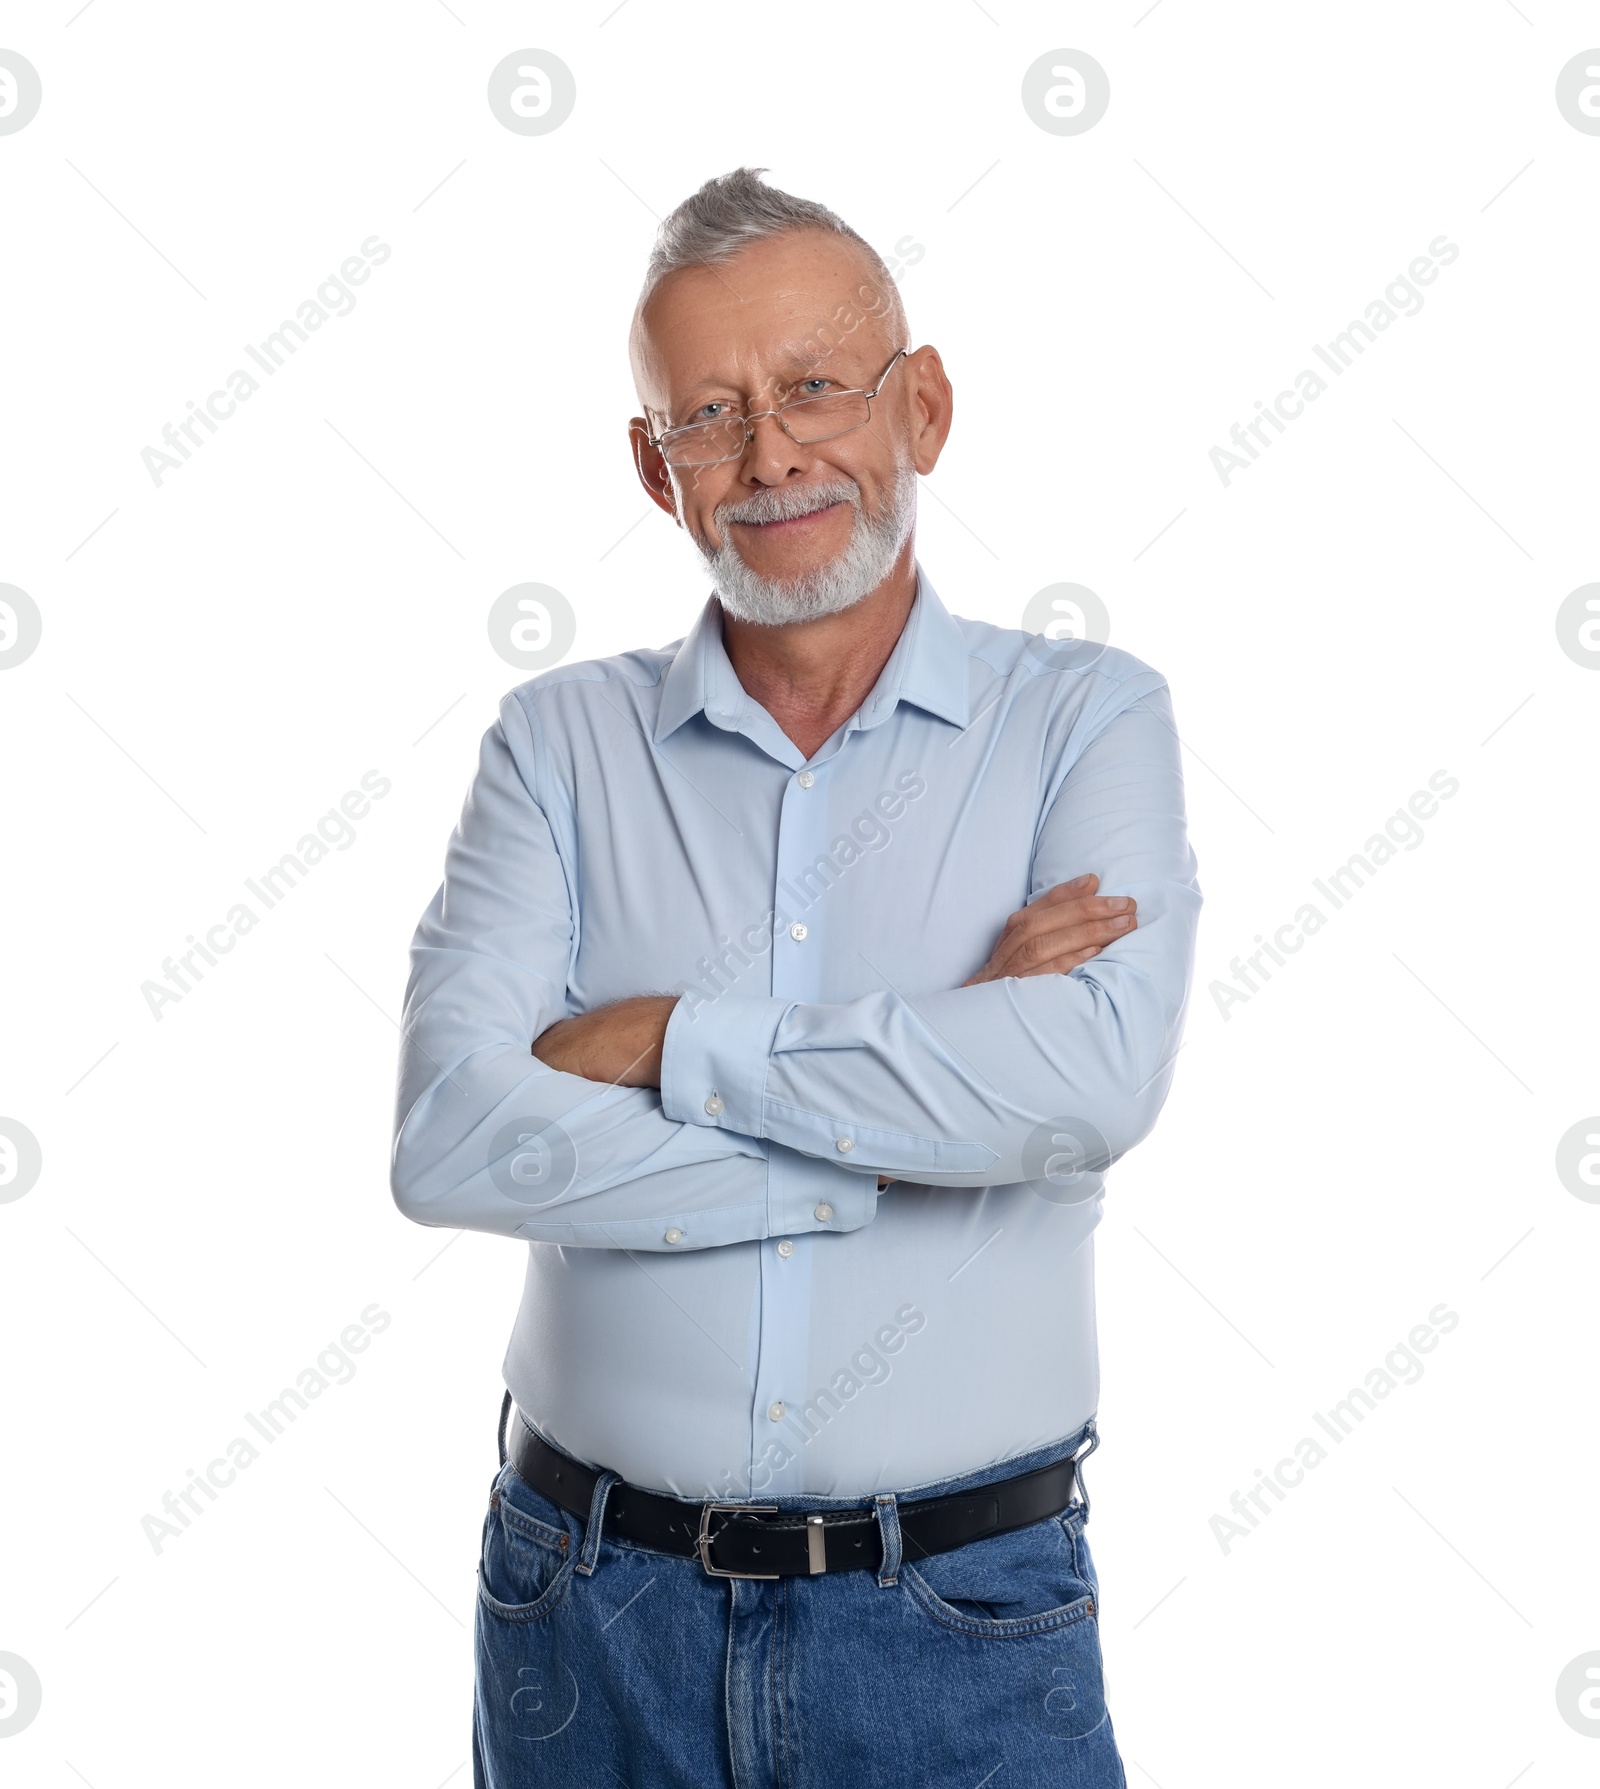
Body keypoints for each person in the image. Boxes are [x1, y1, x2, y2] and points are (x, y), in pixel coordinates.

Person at [391, 165, 1201, 1789]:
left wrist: (665, 1040)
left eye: (816, 389)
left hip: (961, 1618)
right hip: (586, 1613)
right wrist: (915, 1124)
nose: (770, 454)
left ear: (925, 407)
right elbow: (452, 1140)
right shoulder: (557, 748)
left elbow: (1085, 1094)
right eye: (708, 414)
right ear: (653, 466)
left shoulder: (1086, 722)